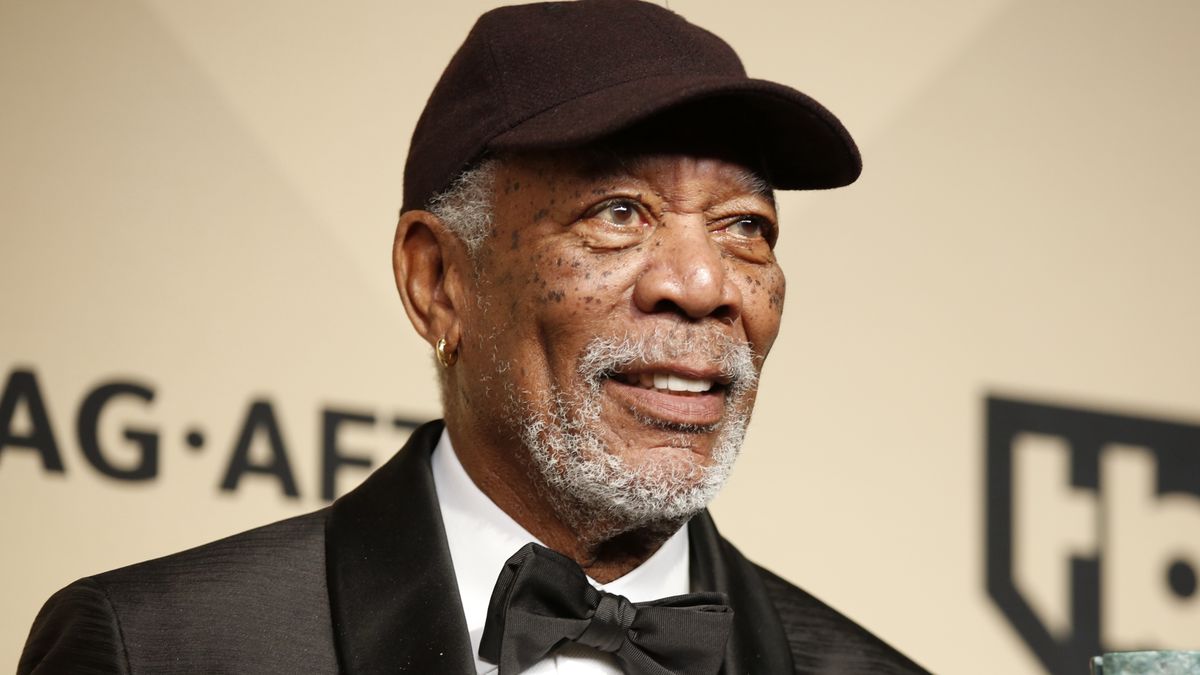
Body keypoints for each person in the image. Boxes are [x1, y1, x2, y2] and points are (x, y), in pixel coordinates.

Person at [19, 1, 927, 673]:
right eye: (619, 213)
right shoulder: (158, 649)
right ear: (437, 280)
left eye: (745, 227)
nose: (703, 285)